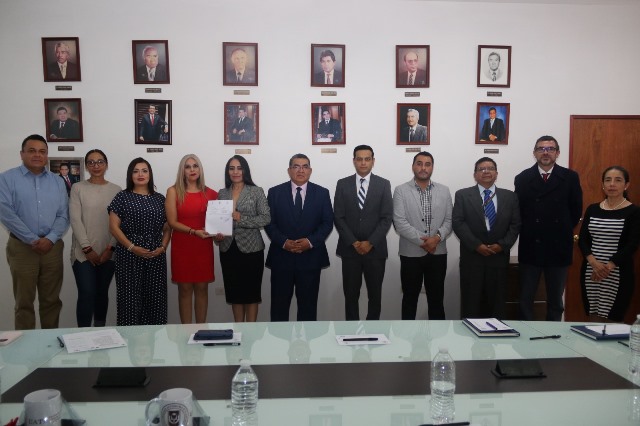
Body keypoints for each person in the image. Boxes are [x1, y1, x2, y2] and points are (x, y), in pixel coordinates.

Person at [0, 134, 69, 329]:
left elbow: (63, 215)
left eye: (42, 151)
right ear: (22, 154)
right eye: (32, 151)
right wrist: (32, 239)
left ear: (47, 156)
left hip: (52, 248)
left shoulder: (57, 182)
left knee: (51, 301)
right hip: (22, 248)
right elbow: (6, 213)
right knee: (24, 303)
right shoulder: (6, 179)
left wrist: (51, 238)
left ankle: (49, 343)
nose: (37, 155)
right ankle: (26, 345)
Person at [514, 135, 583, 321]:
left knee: (555, 301)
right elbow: (518, 212)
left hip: (558, 247)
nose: (545, 153)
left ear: (557, 153)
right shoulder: (522, 178)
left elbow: (576, 211)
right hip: (531, 247)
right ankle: (525, 334)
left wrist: (560, 230)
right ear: (534, 153)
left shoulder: (570, 177)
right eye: (541, 149)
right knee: (525, 299)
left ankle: (554, 334)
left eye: (550, 149)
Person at [265, 154, 333, 321]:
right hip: (282, 258)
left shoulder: (322, 193)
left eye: (305, 166)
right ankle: (280, 339)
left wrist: (309, 242)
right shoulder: (274, 192)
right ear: (289, 170)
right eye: (296, 166)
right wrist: (284, 242)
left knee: (308, 309)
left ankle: (307, 339)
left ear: (310, 170)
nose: (300, 170)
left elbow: (327, 223)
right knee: (279, 308)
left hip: (310, 258)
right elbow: (269, 223)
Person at [452, 157, 521, 318]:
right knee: (471, 305)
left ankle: (495, 332)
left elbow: (515, 224)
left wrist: (502, 245)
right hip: (472, 259)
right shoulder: (463, 195)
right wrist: (477, 245)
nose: (486, 171)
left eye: (490, 168)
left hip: (498, 259)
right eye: (481, 169)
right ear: (475, 174)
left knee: (497, 305)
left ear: (496, 173)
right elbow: (458, 222)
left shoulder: (510, 196)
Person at [108, 158, 171, 326]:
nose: (140, 174)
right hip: (128, 255)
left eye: (144, 171)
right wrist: (132, 247)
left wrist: (163, 247)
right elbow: (113, 227)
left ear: (150, 174)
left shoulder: (160, 199)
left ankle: (154, 339)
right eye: (135, 171)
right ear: (130, 175)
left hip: (156, 255)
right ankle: (130, 340)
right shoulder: (122, 196)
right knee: (129, 300)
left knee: (156, 300)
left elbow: (167, 228)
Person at [334, 145, 393, 320]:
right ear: (354, 161)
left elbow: (387, 217)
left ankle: (372, 329)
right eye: (359, 159)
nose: (363, 162)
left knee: (375, 296)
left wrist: (370, 242)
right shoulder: (342, 184)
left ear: (373, 161)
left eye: (367, 159)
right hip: (350, 250)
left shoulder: (383, 184)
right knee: (350, 296)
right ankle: (352, 330)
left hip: (375, 250)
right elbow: (338, 216)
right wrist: (354, 242)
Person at [393, 151, 452, 320]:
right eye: (419, 164)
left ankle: (437, 336)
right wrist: (426, 242)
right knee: (409, 299)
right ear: (413, 166)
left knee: (437, 300)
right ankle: (408, 336)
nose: (423, 168)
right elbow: (399, 222)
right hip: (410, 254)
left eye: (427, 164)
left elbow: (449, 220)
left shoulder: (444, 190)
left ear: (432, 167)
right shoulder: (401, 190)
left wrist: (436, 238)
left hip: (438, 253)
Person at [578, 166, 640, 322]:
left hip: (617, 272)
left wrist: (608, 267)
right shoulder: (592, 209)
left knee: (613, 319)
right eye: (608, 180)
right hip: (591, 270)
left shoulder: (634, 212)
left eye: (618, 180)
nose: (612, 184)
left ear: (626, 185)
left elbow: (633, 244)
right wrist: (594, 263)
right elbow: (583, 239)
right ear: (603, 185)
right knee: (593, 316)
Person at [215, 155, 271, 322]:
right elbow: (219, 221)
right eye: (232, 168)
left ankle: (251, 330)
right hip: (228, 249)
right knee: (235, 294)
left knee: (251, 294)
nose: (236, 172)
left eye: (239, 168)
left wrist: (242, 219)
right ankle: (238, 329)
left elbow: (266, 218)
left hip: (252, 249)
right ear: (228, 172)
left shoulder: (256, 191)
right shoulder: (222, 193)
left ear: (245, 170)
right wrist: (217, 235)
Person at [69, 150, 121, 327]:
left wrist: (110, 248)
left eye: (100, 161)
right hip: (83, 254)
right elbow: (75, 220)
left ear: (106, 164)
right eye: (91, 162)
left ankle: (99, 332)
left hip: (108, 252)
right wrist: (87, 248)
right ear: (86, 166)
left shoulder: (116, 190)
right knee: (87, 293)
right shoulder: (77, 188)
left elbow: (119, 223)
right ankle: (81, 335)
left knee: (101, 293)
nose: (96, 165)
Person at [165, 154, 218, 324]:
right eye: (187, 167)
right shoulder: (173, 191)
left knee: (202, 288)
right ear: (182, 171)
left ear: (200, 169)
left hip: (203, 247)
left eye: (195, 166)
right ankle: (186, 332)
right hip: (182, 246)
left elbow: (217, 223)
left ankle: (201, 330)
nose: (192, 170)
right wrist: (194, 232)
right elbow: (172, 222)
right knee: (185, 289)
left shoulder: (212, 194)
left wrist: (219, 232)